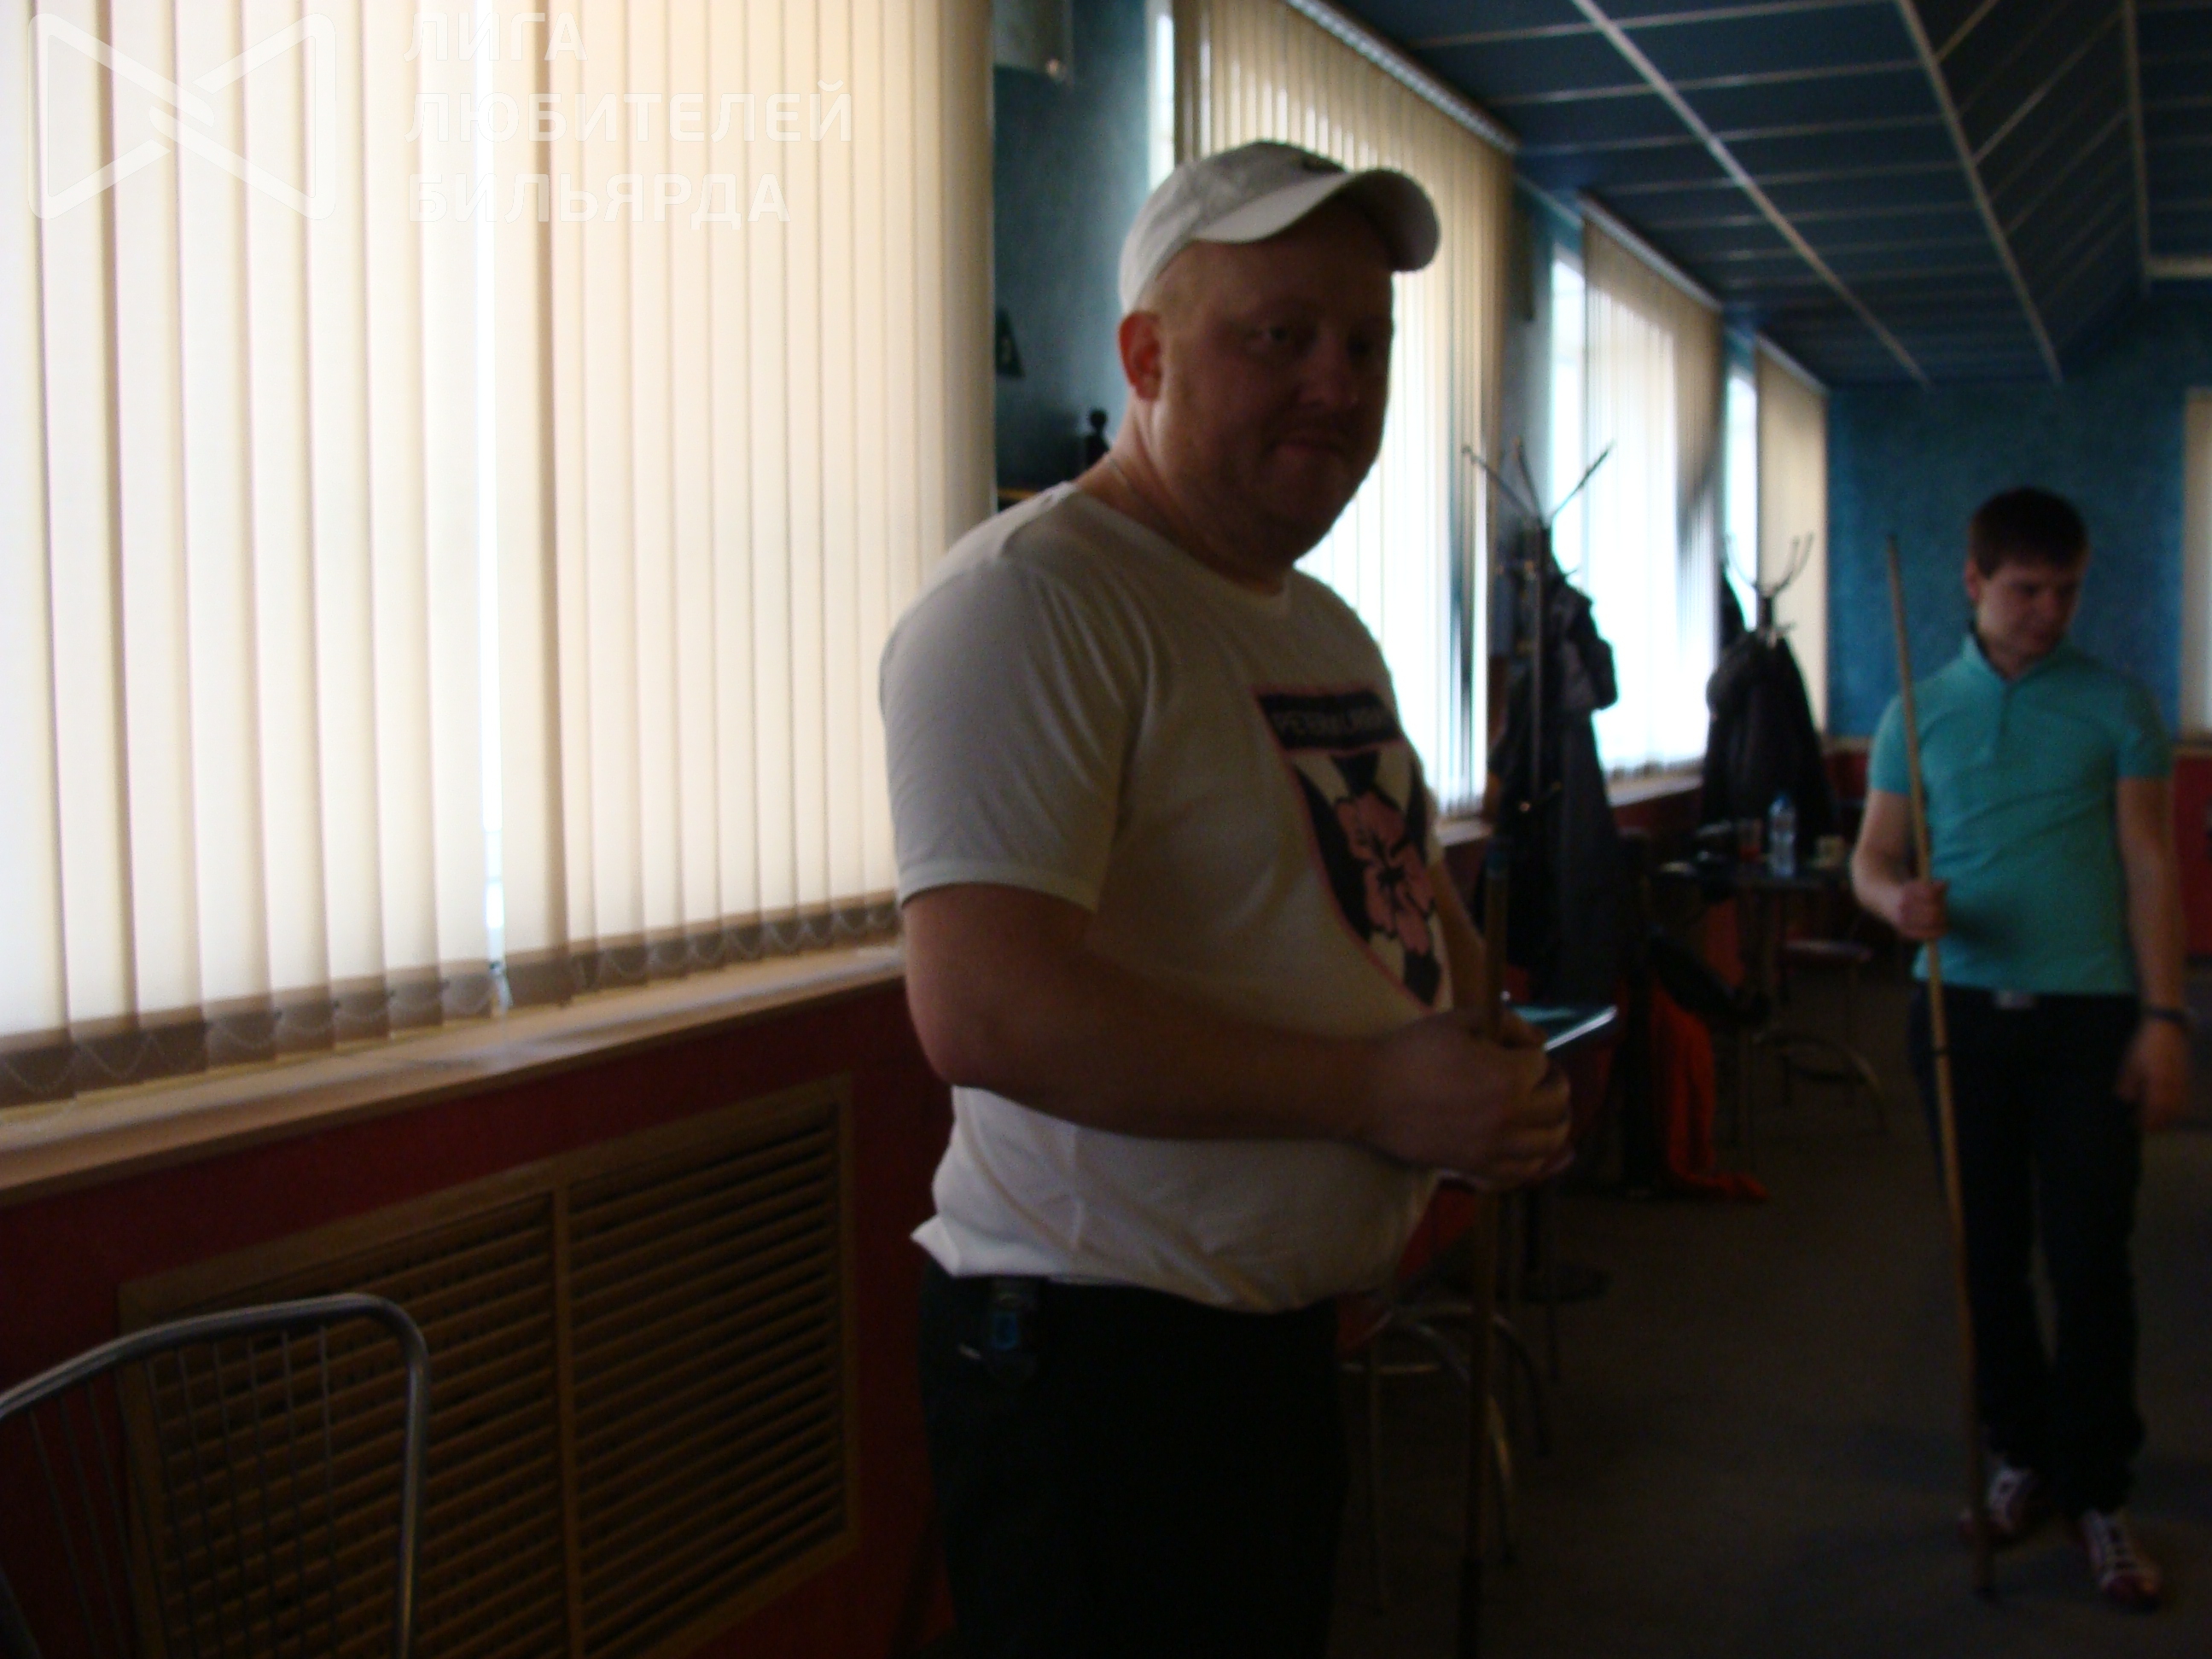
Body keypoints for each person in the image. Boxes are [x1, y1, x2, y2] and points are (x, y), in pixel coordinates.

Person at [879, 141, 1572, 1656]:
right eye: (1282, 336)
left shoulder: (1320, 625)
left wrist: (1484, 1053)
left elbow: (1401, 900)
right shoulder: (1033, 601)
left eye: (1368, 345)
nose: (1338, 383)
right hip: (1097, 1357)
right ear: (1146, 357)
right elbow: (987, 1011)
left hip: (1263, 1342)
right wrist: (1378, 1095)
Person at [1852, 486, 2187, 1612]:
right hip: (1957, 1014)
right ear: (1975, 581)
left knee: (2090, 1257)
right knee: (1984, 1259)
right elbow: (1873, 858)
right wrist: (1895, 902)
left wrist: (2165, 1018)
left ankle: (2100, 1492)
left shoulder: (2118, 705)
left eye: (2067, 590)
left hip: (2090, 1015)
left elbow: (2149, 863)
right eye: (2027, 589)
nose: (2049, 611)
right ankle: (2020, 1457)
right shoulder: (1916, 710)